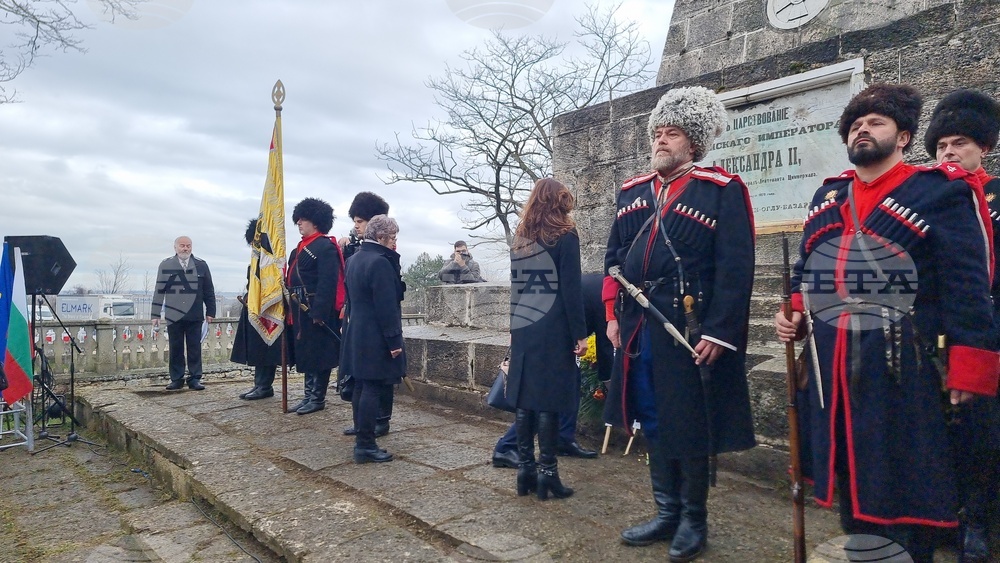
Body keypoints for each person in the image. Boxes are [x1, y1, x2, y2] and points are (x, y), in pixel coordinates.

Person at [775, 84, 999, 562]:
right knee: (852, 485)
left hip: (906, 366)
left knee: (905, 485)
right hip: (834, 365)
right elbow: (807, 266)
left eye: (875, 122)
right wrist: (793, 310)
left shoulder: (938, 191)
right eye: (855, 124)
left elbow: (968, 283)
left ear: (903, 137)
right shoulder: (828, 195)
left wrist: (969, 363)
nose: (862, 129)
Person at [604, 86, 757, 562]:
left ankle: (694, 519)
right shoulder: (632, 192)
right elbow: (612, 260)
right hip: (637, 327)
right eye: (658, 134)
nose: (661, 142)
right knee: (650, 416)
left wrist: (718, 331)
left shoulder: (722, 191)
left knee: (688, 422)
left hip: (688, 329)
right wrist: (612, 315)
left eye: (672, 134)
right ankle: (666, 512)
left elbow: (736, 269)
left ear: (693, 143)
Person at [923, 88, 1000, 563]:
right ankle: (944, 514)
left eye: (959, 145)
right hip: (938, 334)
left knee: (982, 431)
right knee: (939, 430)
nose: (949, 153)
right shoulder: (931, 197)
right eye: (942, 147)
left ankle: (977, 518)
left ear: (983, 148)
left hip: (989, 330)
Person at [507, 178, 588, 501]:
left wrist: (514, 328)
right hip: (553, 326)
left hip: (526, 323)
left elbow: (517, 288)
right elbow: (571, 288)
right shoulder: (565, 235)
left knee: (527, 398)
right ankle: (548, 473)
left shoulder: (521, 237)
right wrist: (580, 333)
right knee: (549, 400)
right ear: (559, 201)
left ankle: (525, 469)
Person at [491, 272, 609, 468]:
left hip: (550, 332)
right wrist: (609, 382)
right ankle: (505, 448)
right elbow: (605, 344)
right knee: (544, 398)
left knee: (572, 383)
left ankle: (563, 439)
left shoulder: (599, 283)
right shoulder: (605, 295)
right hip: (546, 335)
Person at [342, 215, 405, 464]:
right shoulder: (380, 263)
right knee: (371, 388)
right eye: (393, 238)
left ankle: (362, 440)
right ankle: (365, 445)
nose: (394, 243)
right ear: (381, 237)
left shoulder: (354, 259)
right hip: (375, 335)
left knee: (360, 386)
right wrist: (394, 342)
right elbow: (386, 307)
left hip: (357, 331)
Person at [338, 191, 395, 437]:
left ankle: (379, 419)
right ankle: (363, 424)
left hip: (374, 320)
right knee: (361, 376)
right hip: (359, 317)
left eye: (360, 221)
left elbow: (389, 293)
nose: (356, 226)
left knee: (376, 376)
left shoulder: (386, 254)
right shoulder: (358, 251)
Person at [286, 198, 343, 415]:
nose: (299, 223)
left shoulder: (325, 246)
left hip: (316, 309)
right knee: (306, 353)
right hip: (299, 309)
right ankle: (308, 395)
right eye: (298, 219)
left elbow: (328, 282)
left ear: (316, 222)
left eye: (304, 219)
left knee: (319, 354)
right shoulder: (300, 247)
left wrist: (319, 312)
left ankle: (317, 398)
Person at [152, 236, 216, 391]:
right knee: (176, 348)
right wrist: (155, 314)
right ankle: (176, 379)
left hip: (195, 314)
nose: (185, 249)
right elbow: (159, 290)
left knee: (195, 348)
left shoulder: (201, 265)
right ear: (175, 247)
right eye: (182, 246)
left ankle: (195, 378)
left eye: (188, 246)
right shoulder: (166, 265)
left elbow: (209, 290)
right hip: (174, 315)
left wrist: (211, 312)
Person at [232, 219, 282, 400]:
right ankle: (259, 384)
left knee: (265, 351)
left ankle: (264, 386)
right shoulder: (255, 260)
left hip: (268, 310)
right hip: (254, 307)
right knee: (257, 351)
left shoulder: (272, 261)